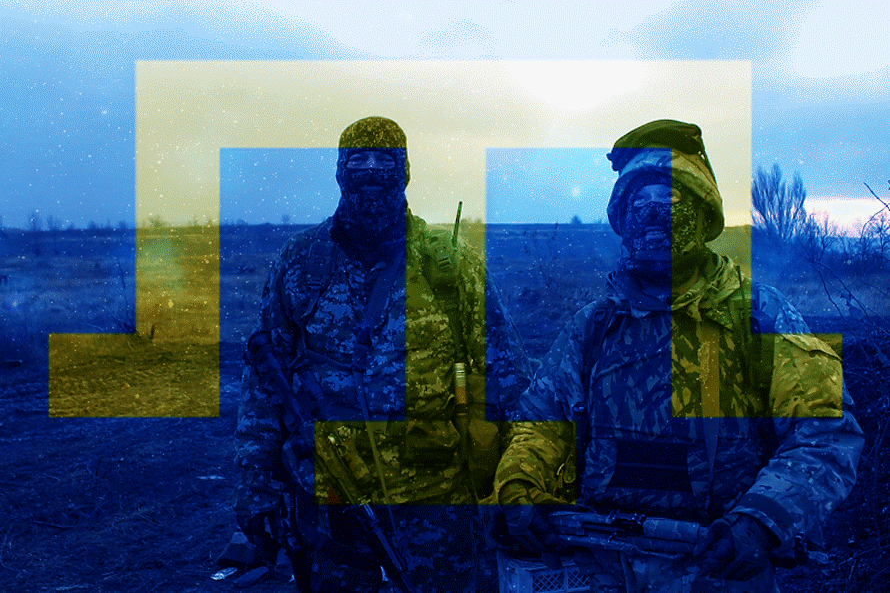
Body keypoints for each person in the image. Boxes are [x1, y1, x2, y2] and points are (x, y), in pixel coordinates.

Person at [493, 120, 864, 592]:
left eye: (669, 199)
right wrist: (520, 488)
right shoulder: (594, 326)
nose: (652, 214)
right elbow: (540, 424)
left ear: (703, 214)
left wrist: (760, 518)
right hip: (601, 564)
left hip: (718, 568)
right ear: (622, 219)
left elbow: (825, 430)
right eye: (638, 203)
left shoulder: (758, 316)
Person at [234, 116, 530, 592]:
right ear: (340, 171)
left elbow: (511, 380)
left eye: (384, 160)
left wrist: (524, 484)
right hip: (331, 508)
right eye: (358, 159)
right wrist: (256, 486)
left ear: (404, 170)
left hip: (438, 512)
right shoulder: (300, 264)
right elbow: (265, 386)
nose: (370, 170)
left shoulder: (450, 264)